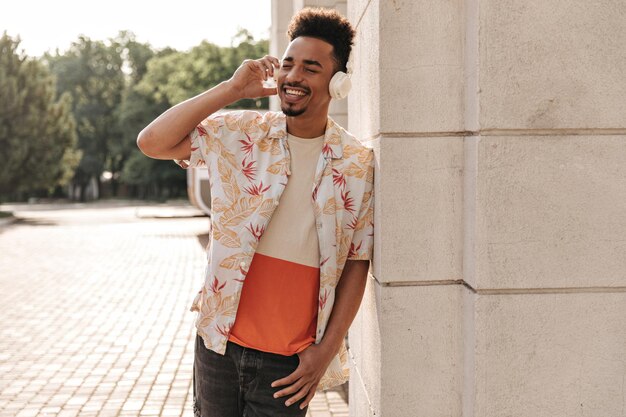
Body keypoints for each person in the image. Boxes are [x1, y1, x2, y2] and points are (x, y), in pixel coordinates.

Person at [137, 7, 374, 417]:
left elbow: (357, 261)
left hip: (290, 362)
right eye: (288, 65)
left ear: (339, 84)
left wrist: (326, 352)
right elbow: (152, 141)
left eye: (311, 68)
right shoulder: (240, 133)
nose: (294, 76)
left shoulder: (356, 163)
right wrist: (231, 89)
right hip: (217, 345)